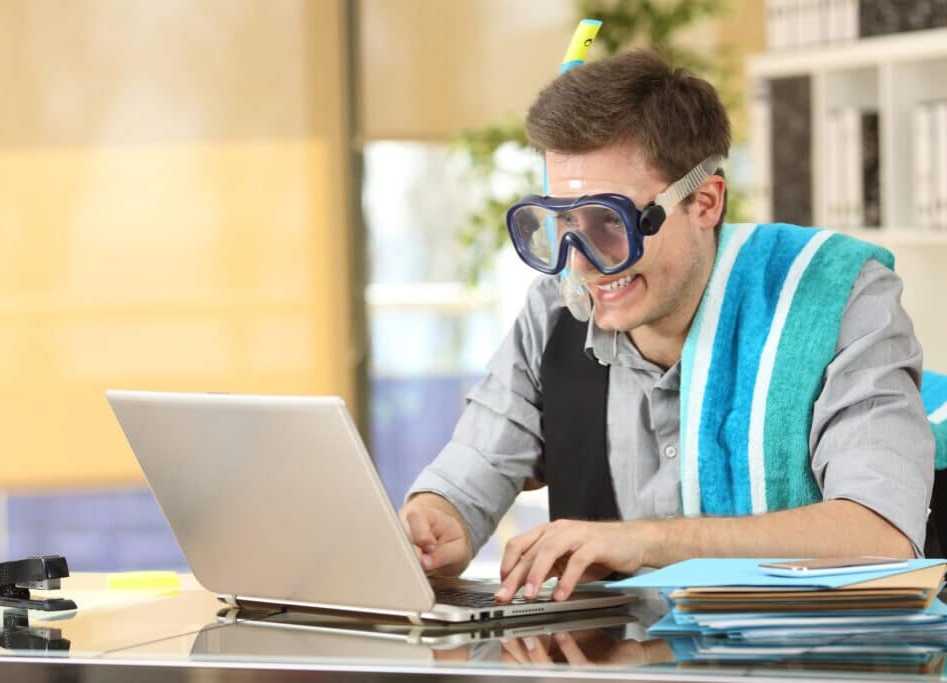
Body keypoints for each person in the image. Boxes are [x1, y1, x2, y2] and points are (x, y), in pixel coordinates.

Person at [398, 49, 936, 604]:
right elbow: (467, 476)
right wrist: (436, 521)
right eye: (561, 223)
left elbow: (882, 539)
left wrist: (646, 542)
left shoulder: (840, 299)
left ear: (704, 202)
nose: (580, 262)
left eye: (609, 222)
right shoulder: (553, 315)